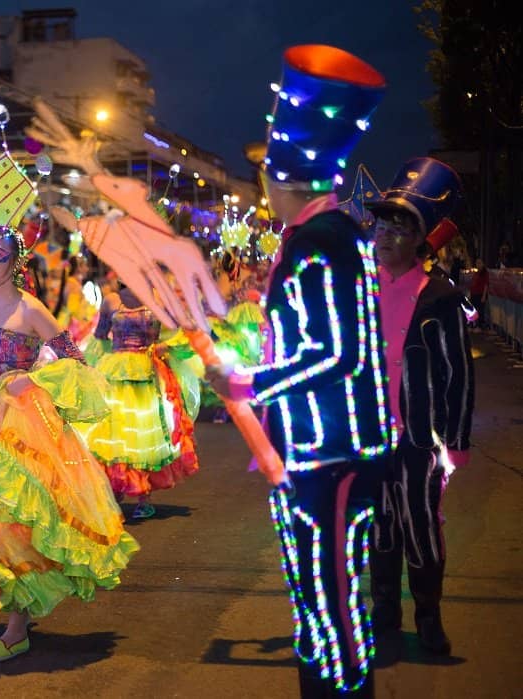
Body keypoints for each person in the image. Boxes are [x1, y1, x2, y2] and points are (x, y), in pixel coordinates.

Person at [208, 45, 391, 697]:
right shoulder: (325, 237)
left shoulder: (326, 241)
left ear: (290, 178)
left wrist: (253, 383)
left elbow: (337, 351)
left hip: (332, 456)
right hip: (314, 450)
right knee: (317, 603)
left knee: (334, 607)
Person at [0, 224, 139, 662]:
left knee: (15, 515)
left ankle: (17, 627)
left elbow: (74, 358)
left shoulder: (31, 308)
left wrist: (33, 383)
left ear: (16, 263)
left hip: (20, 422)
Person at [366, 157, 474, 655]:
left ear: (418, 238)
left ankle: (428, 616)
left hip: (419, 439)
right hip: (369, 436)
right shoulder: (361, 293)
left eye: (396, 226)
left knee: (421, 526)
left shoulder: (439, 296)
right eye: (379, 224)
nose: (383, 234)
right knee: (380, 527)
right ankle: (383, 612)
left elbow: (457, 373)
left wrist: (456, 441)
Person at [78, 285, 201, 519]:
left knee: (143, 435)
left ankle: (144, 497)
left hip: (147, 373)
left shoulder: (160, 298)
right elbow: (100, 337)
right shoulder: (111, 301)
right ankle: (116, 489)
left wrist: (163, 347)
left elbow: (183, 332)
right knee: (115, 432)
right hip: (114, 372)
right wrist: (92, 367)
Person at [469, 258, 489, 328]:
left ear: (483, 264)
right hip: (474, 294)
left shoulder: (485, 273)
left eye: (480, 263)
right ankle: (474, 325)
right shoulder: (476, 273)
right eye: (477, 263)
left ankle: (480, 326)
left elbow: (486, 285)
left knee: (480, 311)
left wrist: (483, 296)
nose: (478, 264)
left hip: (480, 294)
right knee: (473, 310)